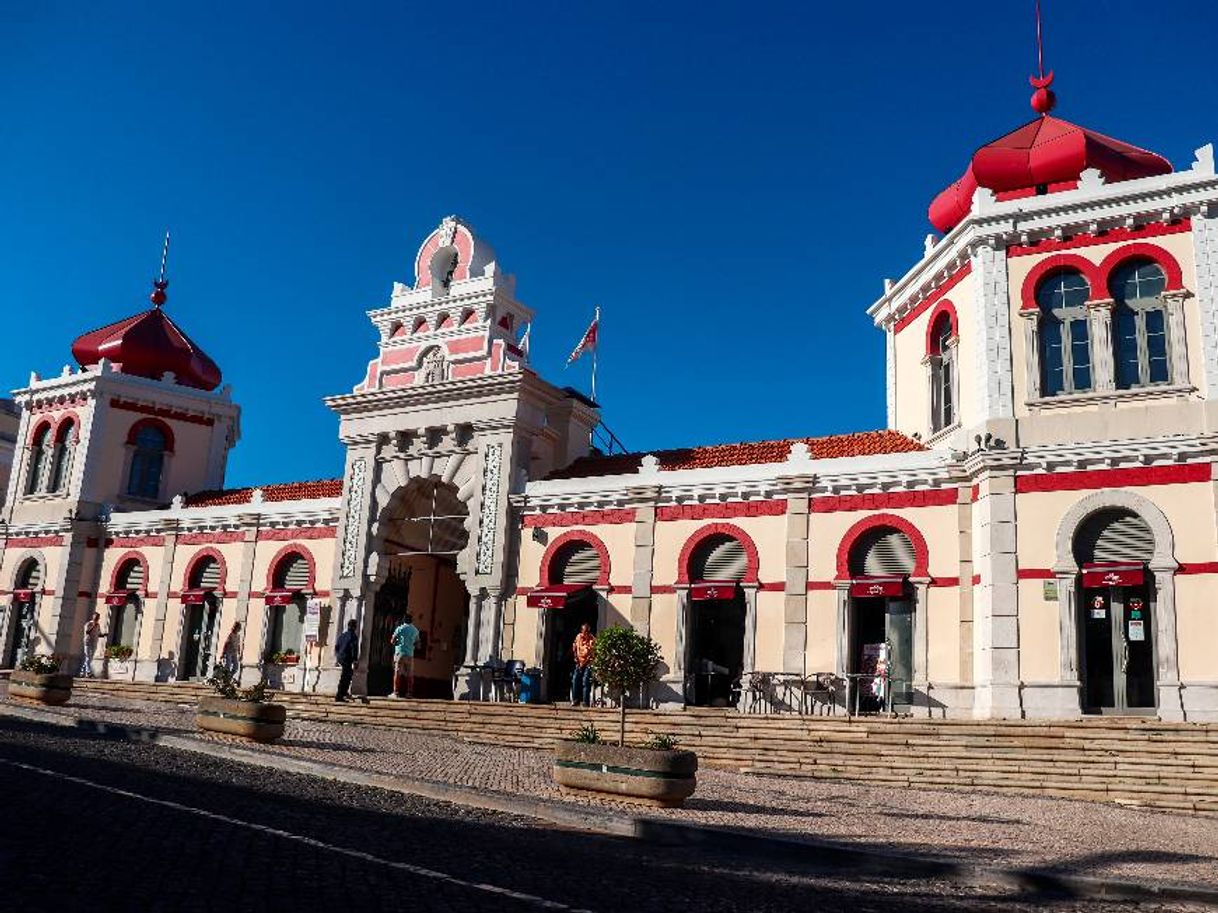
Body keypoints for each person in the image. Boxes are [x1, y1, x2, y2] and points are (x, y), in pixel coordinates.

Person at [389, 613, 420, 698]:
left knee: (397, 672)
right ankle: (409, 693)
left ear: (403, 620)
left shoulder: (400, 628)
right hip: (410, 654)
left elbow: (392, 641)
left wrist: (398, 642)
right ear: (411, 620)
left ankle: (395, 692)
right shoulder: (415, 630)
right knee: (409, 674)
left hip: (400, 653)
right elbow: (418, 644)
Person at [570, 623, 596, 707]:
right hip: (579, 662)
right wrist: (576, 659)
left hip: (588, 663)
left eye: (587, 631)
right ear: (581, 631)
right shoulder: (578, 637)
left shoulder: (592, 639)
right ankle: (575, 700)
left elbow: (591, 654)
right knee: (575, 679)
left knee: (585, 681)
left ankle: (585, 702)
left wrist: (583, 664)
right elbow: (574, 647)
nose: (586, 633)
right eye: (584, 631)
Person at [335, 619, 359, 702]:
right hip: (347, 658)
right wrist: (355, 660)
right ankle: (339, 696)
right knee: (345, 677)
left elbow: (337, 646)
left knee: (347, 676)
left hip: (341, 658)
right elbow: (354, 648)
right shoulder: (353, 636)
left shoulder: (342, 635)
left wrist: (338, 656)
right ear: (355, 627)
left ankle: (344, 692)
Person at [79, 612, 106, 678]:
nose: (97, 618)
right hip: (87, 642)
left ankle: (82, 672)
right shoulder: (88, 624)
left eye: (98, 617)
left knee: (90, 658)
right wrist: (93, 626)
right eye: (96, 617)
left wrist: (105, 634)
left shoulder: (98, 625)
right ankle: (88, 672)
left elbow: (99, 634)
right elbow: (87, 632)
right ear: (93, 617)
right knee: (88, 657)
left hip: (94, 642)